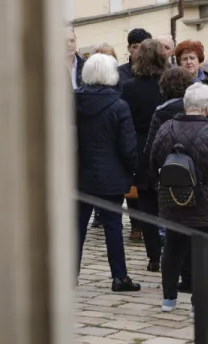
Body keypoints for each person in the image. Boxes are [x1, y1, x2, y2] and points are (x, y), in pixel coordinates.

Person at [150, 83, 208, 314]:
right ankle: (198, 304)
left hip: (173, 197)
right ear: (207, 107)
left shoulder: (166, 128)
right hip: (207, 200)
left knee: (172, 247)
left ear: (185, 104)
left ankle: (168, 299)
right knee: (203, 253)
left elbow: (153, 160)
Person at [74, 54, 141, 292]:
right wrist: (132, 169)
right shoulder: (119, 105)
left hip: (80, 174)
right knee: (113, 227)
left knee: (77, 226)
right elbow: (128, 146)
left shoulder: (73, 101)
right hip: (111, 175)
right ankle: (119, 277)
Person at [121, 39, 168, 271]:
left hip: (141, 147)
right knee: (169, 202)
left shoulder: (129, 87)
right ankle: (171, 252)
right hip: (167, 145)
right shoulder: (168, 84)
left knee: (146, 204)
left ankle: (154, 256)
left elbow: (127, 122)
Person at [175, 40, 208, 108]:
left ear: (199, 60)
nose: (189, 62)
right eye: (184, 59)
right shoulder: (175, 83)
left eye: (192, 58)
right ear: (179, 63)